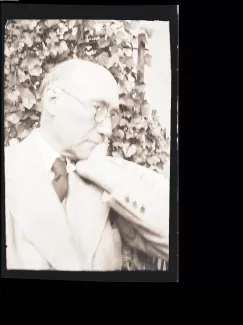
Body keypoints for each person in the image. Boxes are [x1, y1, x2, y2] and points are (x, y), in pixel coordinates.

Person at [5, 58, 170, 271]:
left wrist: (106, 175)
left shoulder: (110, 180)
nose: (107, 129)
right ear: (53, 100)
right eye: (97, 108)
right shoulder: (9, 168)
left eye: (112, 115)